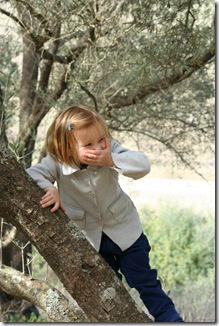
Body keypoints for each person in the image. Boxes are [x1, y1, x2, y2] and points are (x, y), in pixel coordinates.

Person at [27, 104, 184, 322]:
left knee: (146, 283)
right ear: (68, 147)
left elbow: (143, 165)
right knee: (108, 293)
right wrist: (49, 187)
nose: (99, 146)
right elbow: (31, 174)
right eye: (89, 144)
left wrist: (111, 159)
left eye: (101, 139)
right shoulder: (57, 162)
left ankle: (171, 320)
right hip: (93, 241)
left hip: (127, 232)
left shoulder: (109, 150)